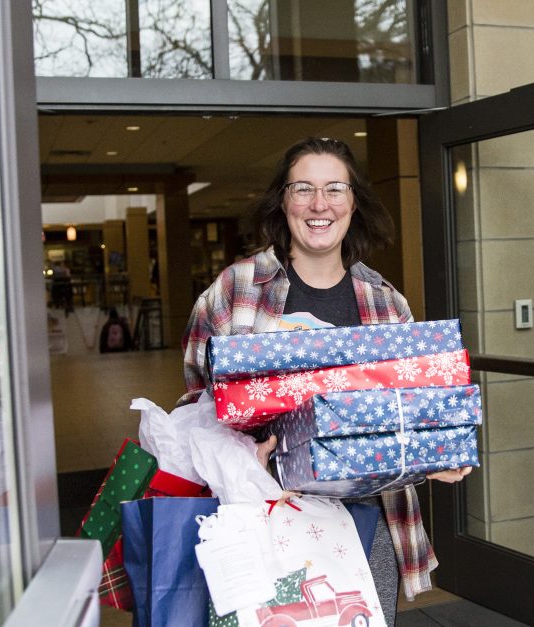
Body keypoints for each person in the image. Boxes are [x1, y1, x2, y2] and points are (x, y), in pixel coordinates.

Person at [181, 137, 471, 625]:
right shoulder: (236, 289)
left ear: (353, 202)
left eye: (335, 189)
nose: (320, 205)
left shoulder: (386, 303)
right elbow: (192, 405)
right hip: (264, 515)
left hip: (367, 520)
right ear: (283, 201)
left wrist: (432, 454)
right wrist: (239, 456)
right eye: (303, 189)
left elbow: (412, 409)